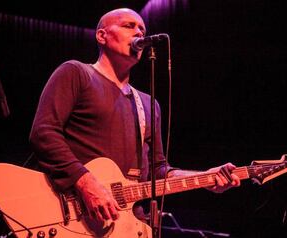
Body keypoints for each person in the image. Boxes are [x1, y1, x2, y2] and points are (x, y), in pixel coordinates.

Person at [29, 8, 240, 228]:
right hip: (73, 218)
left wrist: (204, 178)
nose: (139, 33)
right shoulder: (76, 73)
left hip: (127, 224)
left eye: (142, 29)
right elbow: (44, 133)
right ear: (102, 35)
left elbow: (158, 170)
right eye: (129, 26)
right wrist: (85, 182)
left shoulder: (149, 104)